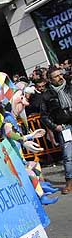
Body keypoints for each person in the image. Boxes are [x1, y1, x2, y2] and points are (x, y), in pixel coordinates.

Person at [41, 66, 72, 194]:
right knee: (68, 156)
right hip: (64, 126)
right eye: (56, 76)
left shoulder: (70, 87)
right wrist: (55, 127)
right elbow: (43, 116)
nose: (60, 77)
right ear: (50, 79)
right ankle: (69, 182)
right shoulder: (47, 95)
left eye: (60, 74)